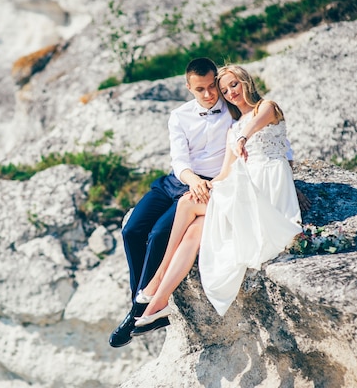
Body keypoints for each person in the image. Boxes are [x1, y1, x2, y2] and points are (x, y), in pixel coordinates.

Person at [132, 64, 303, 330]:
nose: (228, 93)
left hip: (269, 185)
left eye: (232, 85)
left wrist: (243, 139)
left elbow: (258, 130)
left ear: (246, 82)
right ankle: (157, 305)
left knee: (186, 204)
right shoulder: (232, 128)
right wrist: (205, 187)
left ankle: (156, 279)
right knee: (194, 229)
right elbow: (224, 173)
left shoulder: (266, 108)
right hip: (245, 186)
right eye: (225, 89)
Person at [109, 57, 235, 348]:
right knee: (132, 230)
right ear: (188, 87)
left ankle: (137, 314)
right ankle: (139, 299)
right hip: (178, 181)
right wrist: (191, 179)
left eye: (211, 86)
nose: (208, 94)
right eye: (200, 89)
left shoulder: (232, 111)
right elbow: (179, 159)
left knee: (158, 235)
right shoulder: (179, 115)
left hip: (207, 186)